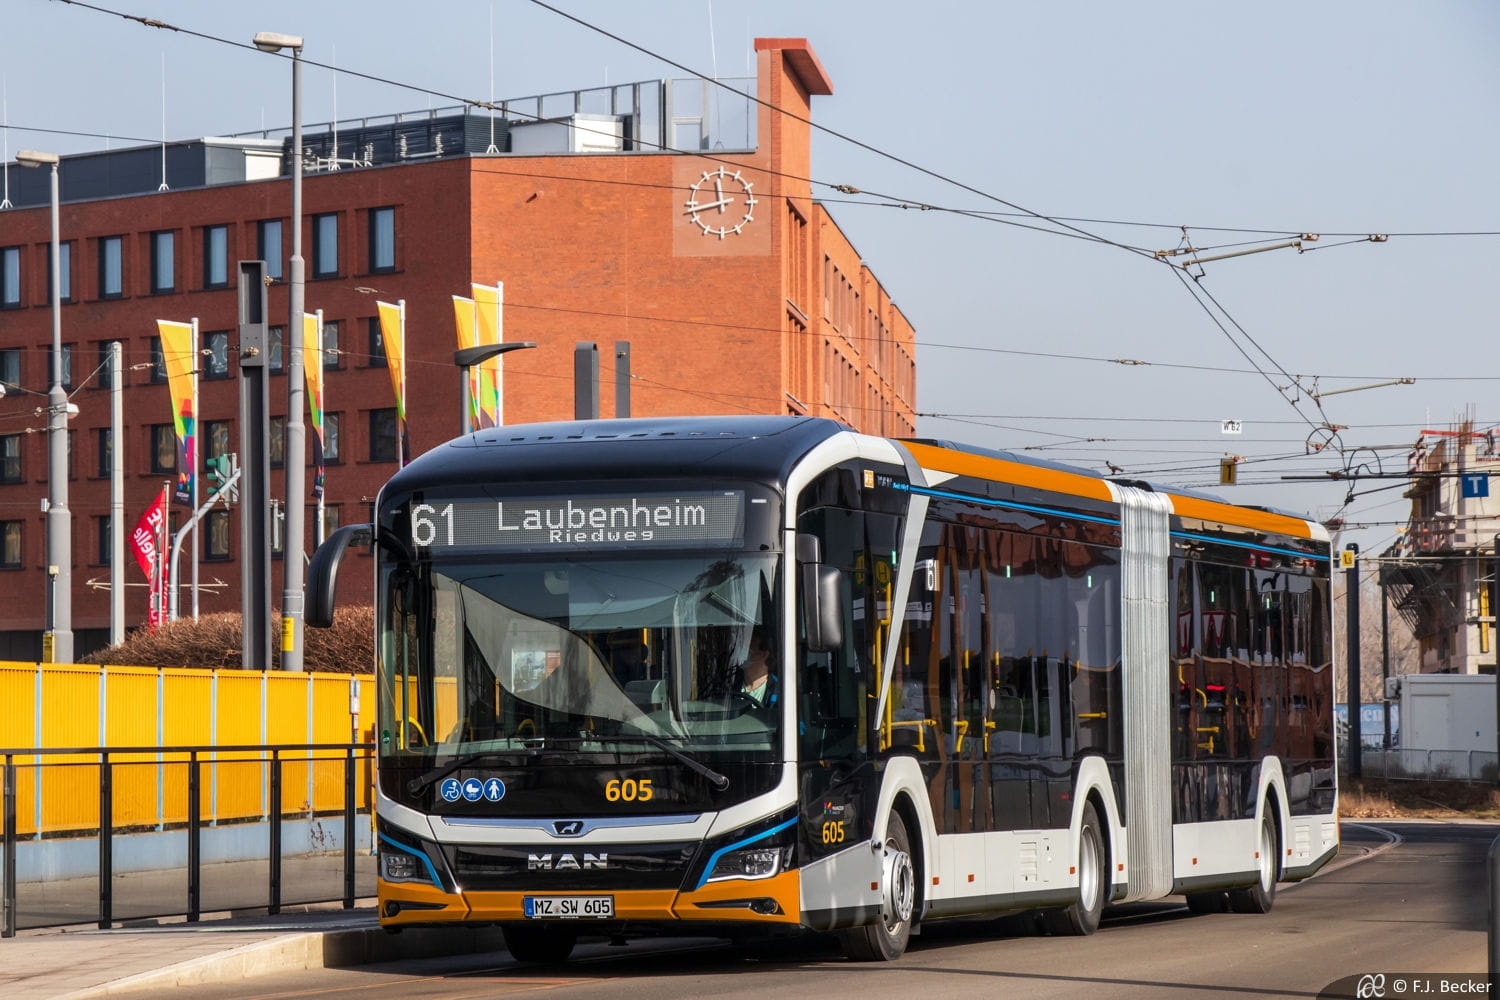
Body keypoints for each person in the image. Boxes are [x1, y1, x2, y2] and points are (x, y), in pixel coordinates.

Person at [738, 630, 777, 708]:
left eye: (749, 651)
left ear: (764, 654)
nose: (742, 656)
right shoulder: (730, 683)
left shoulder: (780, 690)